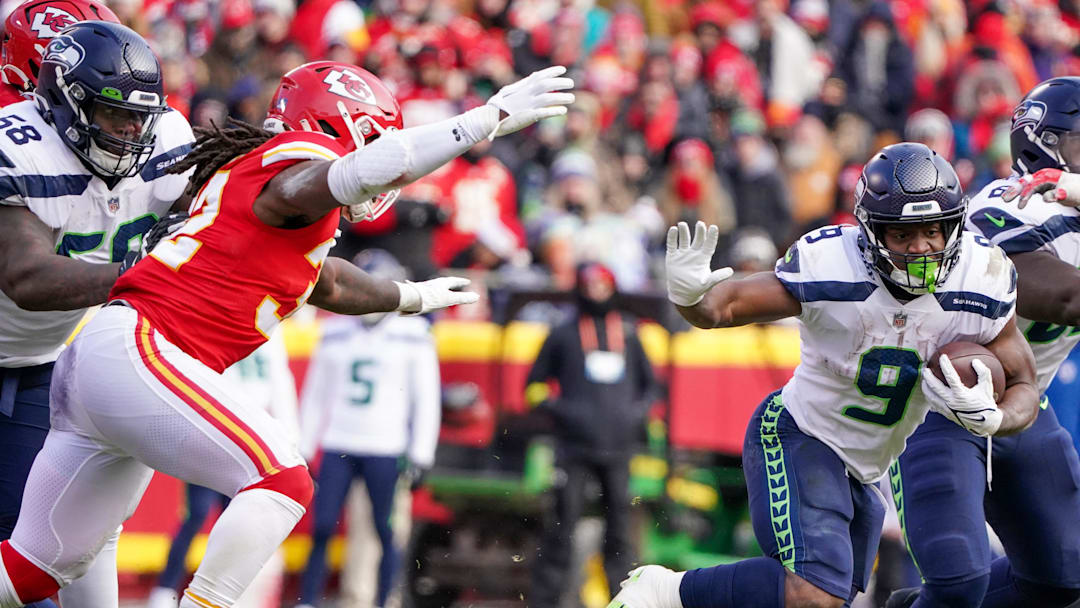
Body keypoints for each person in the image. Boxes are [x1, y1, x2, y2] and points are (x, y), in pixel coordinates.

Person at [0, 55, 572, 608]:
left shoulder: (277, 197)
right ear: (334, 129)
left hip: (114, 358)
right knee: (282, 480)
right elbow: (359, 172)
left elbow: (330, 283)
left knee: (30, 572)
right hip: (143, 349)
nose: (378, 151)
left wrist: (410, 296)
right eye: (372, 136)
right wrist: (483, 119)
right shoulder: (296, 163)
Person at [607, 142, 1040, 608]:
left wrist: (996, 419)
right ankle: (666, 590)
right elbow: (723, 307)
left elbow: (1025, 387)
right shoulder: (835, 267)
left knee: (828, 601)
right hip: (802, 434)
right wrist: (690, 297)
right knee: (814, 593)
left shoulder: (980, 277)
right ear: (871, 232)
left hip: (865, 466)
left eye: (933, 231)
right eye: (902, 234)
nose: (921, 248)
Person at [0, 11, 192, 608]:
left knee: (27, 551)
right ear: (66, 105)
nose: (131, 132)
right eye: (114, 114)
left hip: (36, 362)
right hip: (26, 336)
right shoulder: (19, 146)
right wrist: (153, 275)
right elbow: (26, 277)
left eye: (141, 117)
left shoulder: (168, 142)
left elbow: (222, 219)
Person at [881, 77, 1080, 608]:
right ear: (1043, 145)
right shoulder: (1010, 203)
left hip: (1024, 406)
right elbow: (1064, 298)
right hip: (941, 405)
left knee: (1064, 577)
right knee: (958, 584)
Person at [295, 249, 440, 608]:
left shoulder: (413, 333)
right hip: (339, 442)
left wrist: (421, 453)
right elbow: (316, 394)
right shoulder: (336, 331)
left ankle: (383, 600)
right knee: (322, 527)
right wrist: (303, 446)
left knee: (385, 530)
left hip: (385, 445)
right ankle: (308, 600)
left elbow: (425, 398)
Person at [528, 262, 660, 608]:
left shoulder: (628, 334)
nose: (596, 292)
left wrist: (635, 415)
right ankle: (545, 601)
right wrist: (563, 412)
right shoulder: (563, 333)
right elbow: (533, 386)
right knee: (561, 529)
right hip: (573, 448)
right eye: (589, 286)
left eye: (602, 286)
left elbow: (651, 387)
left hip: (618, 449)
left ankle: (624, 600)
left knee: (620, 532)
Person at [147, 330, 301, 608]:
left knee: (238, 519)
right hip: (216, 429)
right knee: (197, 514)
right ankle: (165, 589)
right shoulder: (229, 322)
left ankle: (221, 594)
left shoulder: (273, 333)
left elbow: (279, 383)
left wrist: (291, 437)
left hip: (251, 437)